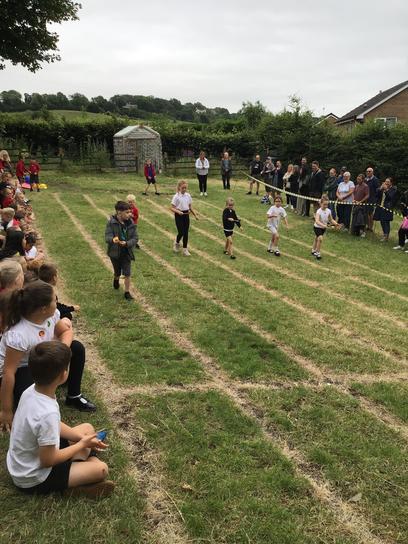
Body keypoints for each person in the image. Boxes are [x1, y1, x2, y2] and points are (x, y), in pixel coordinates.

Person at [7, 341, 114, 498]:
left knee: (87, 429)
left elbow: (53, 425)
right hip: (33, 477)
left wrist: (80, 438)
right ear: (63, 374)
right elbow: (48, 460)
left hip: (27, 460)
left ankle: (76, 470)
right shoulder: (47, 413)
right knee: (101, 469)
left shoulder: (31, 391)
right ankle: (74, 485)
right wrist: (82, 445)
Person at [0, 280, 96, 432]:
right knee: (32, 399)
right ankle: (31, 406)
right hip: (21, 367)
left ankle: (74, 396)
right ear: (43, 309)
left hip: (39, 358)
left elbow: (65, 331)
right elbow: (8, 372)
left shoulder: (51, 316)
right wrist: (6, 410)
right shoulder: (19, 334)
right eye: (54, 300)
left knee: (77, 348)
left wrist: (61, 352)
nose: (57, 303)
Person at [105, 201, 137, 300]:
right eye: (127, 212)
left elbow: (135, 238)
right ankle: (116, 278)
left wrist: (127, 243)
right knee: (117, 271)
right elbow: (107, 237)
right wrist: (113, 239)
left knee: (127, 273)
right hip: (115, 253)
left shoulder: (131, 223)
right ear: (119, 212)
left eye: (130, 212)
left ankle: (127, 292)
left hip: (126, 252)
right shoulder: (111, 223)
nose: (130, 214)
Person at [171, 180, 198, 257]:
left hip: (186, 215)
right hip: (178, 215)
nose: (184, 189)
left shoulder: (188, 195)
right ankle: (177, 242)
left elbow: (190, 207)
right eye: (183, 188)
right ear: (179, 187)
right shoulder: (176, 196)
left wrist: (195, 215)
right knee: (181, 232)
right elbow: (172, 208)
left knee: (186, 233)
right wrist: (178, 212)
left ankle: (185, 249)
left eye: (185, 188)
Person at [312, 196, 339, 260]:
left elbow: (331, 219)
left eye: (327, 204)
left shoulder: (329, 211)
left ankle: (313, 250)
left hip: (323, 228)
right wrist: (323, 225)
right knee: (320, 238)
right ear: (321, 203)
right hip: (317, 227)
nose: (326, 206)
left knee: (316, 238)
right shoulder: (318, 211)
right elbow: (317, 221)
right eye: (324, 204)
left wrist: (336, 224)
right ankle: (318, 253)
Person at [374, 177, 398, 242]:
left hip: (388, 208)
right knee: (381, 221)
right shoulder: (382, 188)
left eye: (388, 182)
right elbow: (376, 195)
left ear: (391, 183)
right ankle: (384, 234)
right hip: (381, 206)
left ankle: (386, 236)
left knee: (386, 221)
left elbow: (390, 197)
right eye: (385, 181)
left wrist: (386, 190)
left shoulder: (393, 189)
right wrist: (380, 189)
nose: (386, 183)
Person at [365, 166, 380, 232]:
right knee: (366, 213)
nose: (368, 172)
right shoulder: (365, 179)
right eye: (367, 171)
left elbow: (377, 190)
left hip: (371, 199)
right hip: (365, 199)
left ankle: (370, 227)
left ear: (372, 172)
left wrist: (375, 199)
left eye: (369, 171)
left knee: (370, 213)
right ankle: (367, 226)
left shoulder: (375, 179)